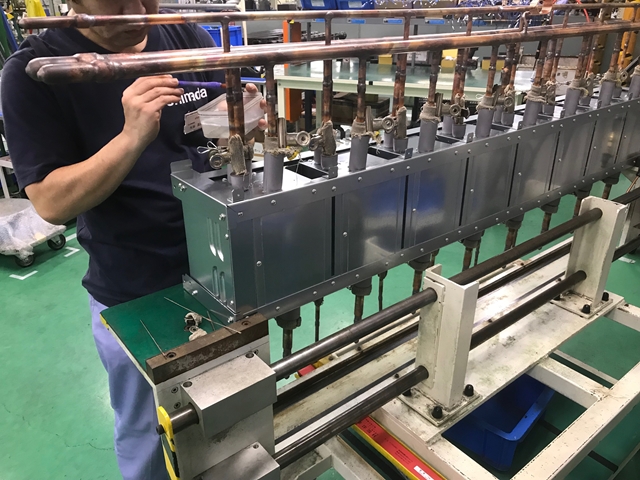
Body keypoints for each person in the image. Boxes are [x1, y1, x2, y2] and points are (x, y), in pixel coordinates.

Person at [1, 1, 265, 478]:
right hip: (133, 286)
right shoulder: (34, 72)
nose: (139, 11)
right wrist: (131, 136)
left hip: (220, 269)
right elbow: (51, 202)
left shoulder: (184, 36)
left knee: (234, 415)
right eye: (119, 2)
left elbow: (213, 136)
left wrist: (241, 125)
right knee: (150, 432)